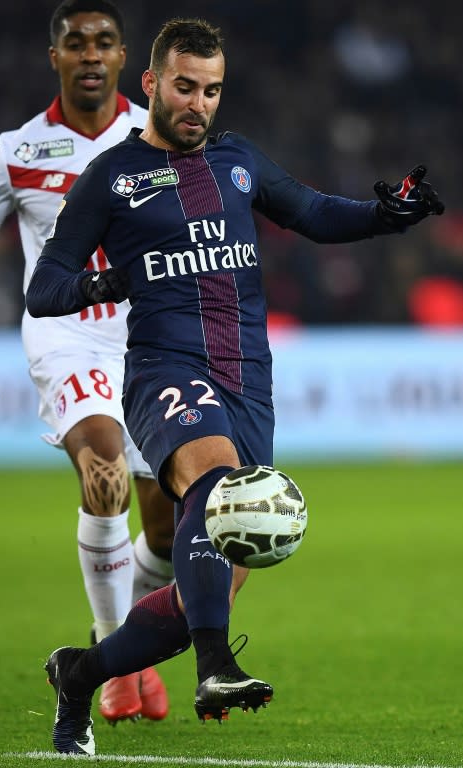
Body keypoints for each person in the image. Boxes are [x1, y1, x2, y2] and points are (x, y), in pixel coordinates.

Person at [25, 17, 444, 755]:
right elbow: (44, 285)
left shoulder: (238, 162)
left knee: (204, 587)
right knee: (218, 489)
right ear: (151, 84)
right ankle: (216, 667)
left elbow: (312, 214)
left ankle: (81, 673)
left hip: (248, 383)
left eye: (211, 91)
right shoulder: (113, 176)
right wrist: (102, 281)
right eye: (184, 87)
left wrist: (386, 215)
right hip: (164, 372)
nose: (197, 103)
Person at [0, 0, 177, 726]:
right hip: (66, 333)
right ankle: (109, 657)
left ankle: (128, 643)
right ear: (56, 58)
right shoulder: (17, 150)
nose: (89, 54)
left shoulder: (159, 136)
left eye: (103, 42)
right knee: (103, 471)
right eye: (75, 42)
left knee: (167, 529)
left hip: (149, 339)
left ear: (121, 58)